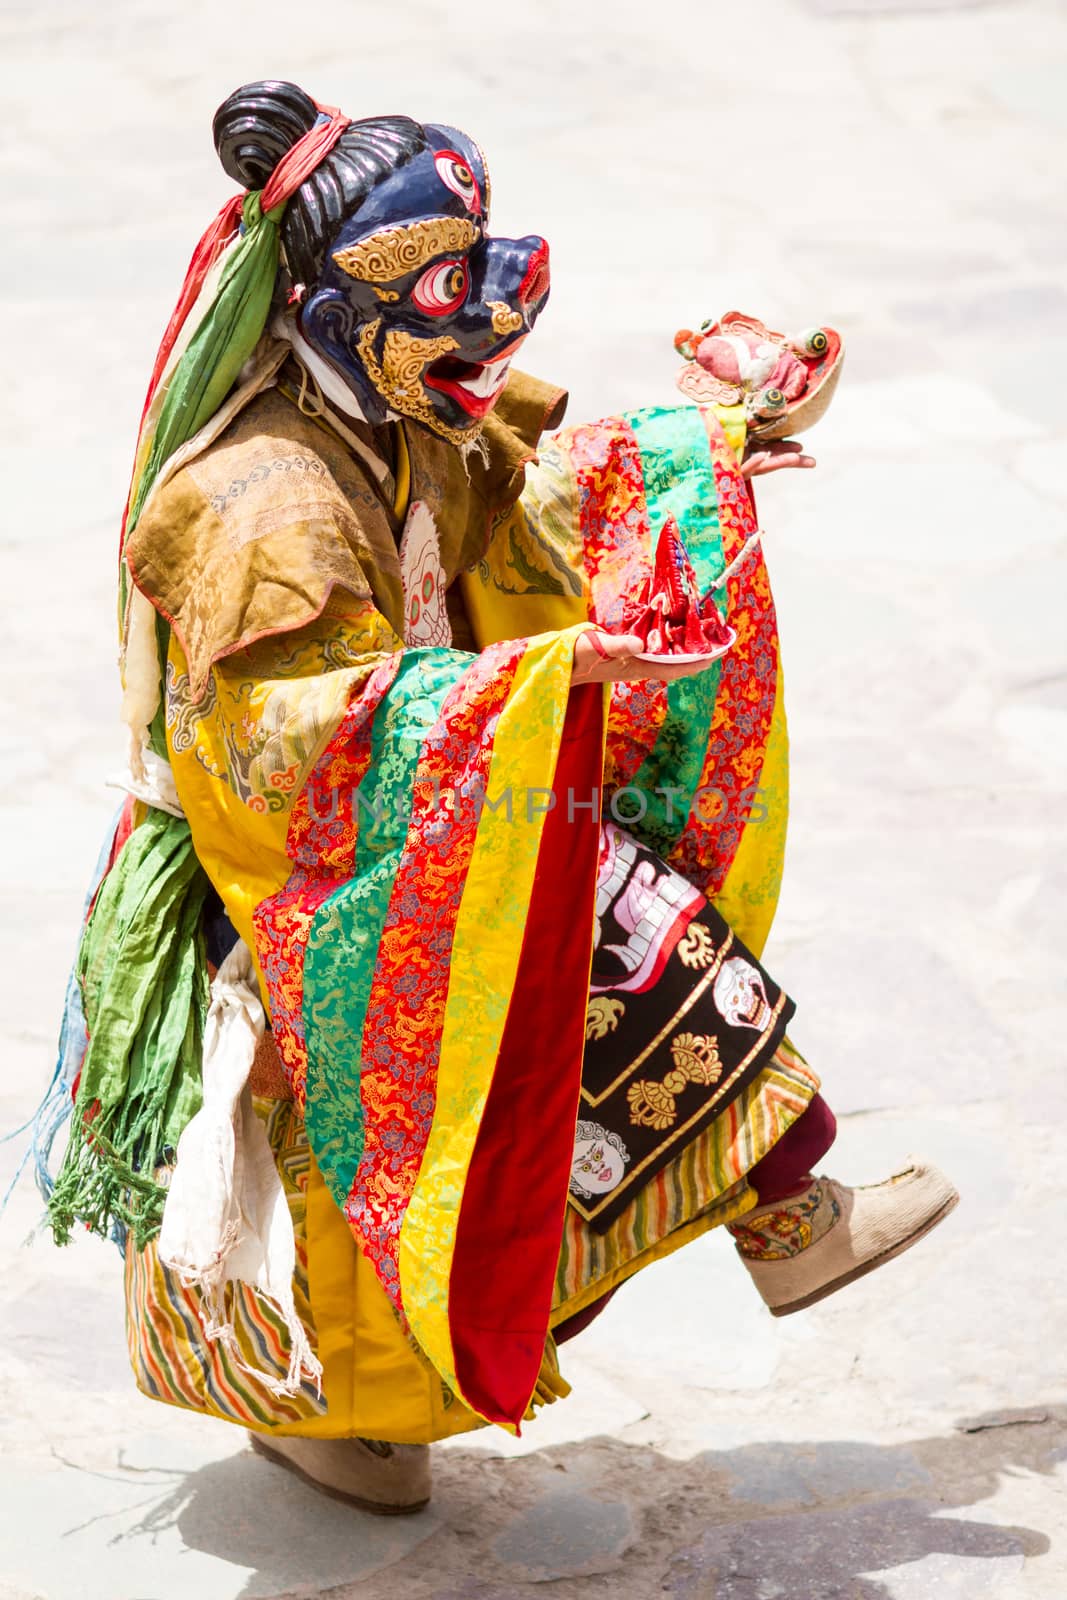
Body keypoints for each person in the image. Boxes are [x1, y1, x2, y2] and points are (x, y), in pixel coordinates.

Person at [38, 79, 957, 1515]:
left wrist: (701, 456)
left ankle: (792, 1210)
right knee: (423, 1116)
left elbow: (521, 500)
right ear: (343, 305)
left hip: (446, 813)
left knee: (640, 937)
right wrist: (518, 693)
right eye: (448, 287)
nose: (483, 320)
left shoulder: (394, 410)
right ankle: (333, 1405)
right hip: (312, 880)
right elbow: (280, 742)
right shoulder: (257, 502)